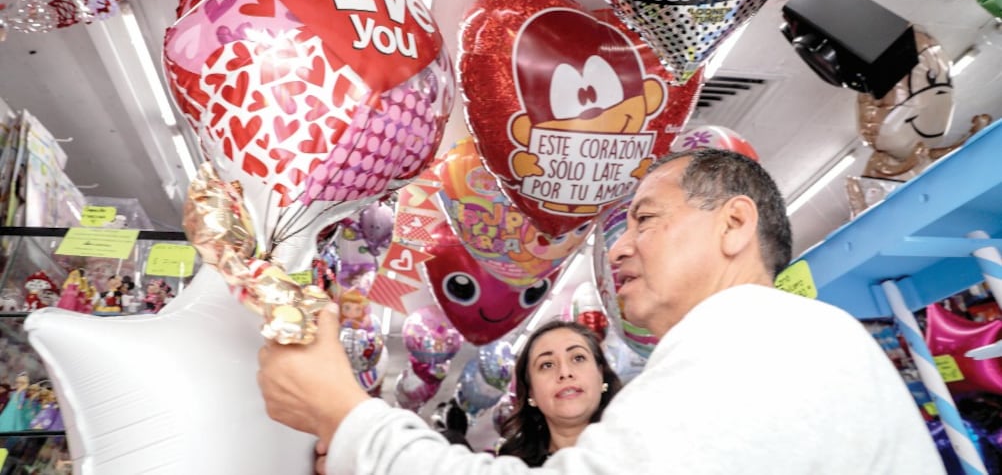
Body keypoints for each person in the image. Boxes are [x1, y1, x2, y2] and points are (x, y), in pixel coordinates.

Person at [257, 148, 946, 474]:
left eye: (644, 219)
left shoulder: (765, 342)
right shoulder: (767, 345)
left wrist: (344, 416)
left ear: (735, 224)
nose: (618, 251)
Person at [496, 320, 622, 465]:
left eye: (578, 358)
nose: (565, 372)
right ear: (531, 393)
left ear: (601, 375)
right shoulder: (513, 468)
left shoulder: (640, 449)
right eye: (547, 365)